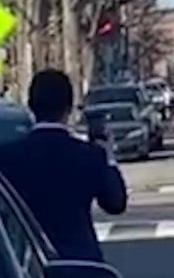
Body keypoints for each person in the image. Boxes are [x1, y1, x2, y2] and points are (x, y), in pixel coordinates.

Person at [0, 69, 127, 262]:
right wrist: (108, 156)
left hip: (29, 263)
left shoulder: (8, 158)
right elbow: (115, 203)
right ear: (68, 109)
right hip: (81, 262)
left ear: (31, 106)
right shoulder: (89, 155)